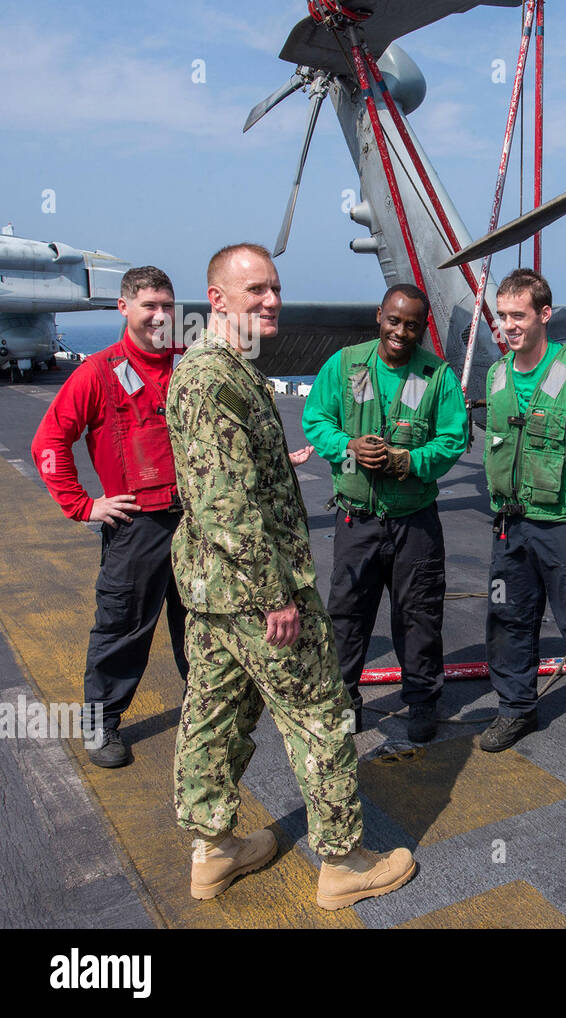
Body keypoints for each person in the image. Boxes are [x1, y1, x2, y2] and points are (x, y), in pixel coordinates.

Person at [167, 243, 414, 908]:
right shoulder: (213, 379)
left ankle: (213, 851)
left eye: (274, 287)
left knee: (215, 716)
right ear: (217, 299)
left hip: (215, 593)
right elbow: (228, 505)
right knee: (322, 718)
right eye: (255, 291)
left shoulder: (222, 370)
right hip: (256, 593)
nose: (272, 300)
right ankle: (342, 862)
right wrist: (275, 595)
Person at [31, 266, 189, 768]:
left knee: (203, 625)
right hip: (136, 527)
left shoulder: (190, 365)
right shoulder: (97, 372)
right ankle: (101, 723)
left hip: (197, 522)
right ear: (124, 308)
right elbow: (48, 443)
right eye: (150, 306)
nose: (161, 316)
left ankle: (206, 710)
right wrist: (83, 505)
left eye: (168, 305)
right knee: (122, 628)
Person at [302, 283, 467, 743]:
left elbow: (454, 438)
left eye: (412, 324)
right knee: (347, 615)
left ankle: (420, 702)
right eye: (394, 321)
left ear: (422, 327)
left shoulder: (435, 376)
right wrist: (347, 446)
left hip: (414, 521)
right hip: (357, 520)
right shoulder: (349, 365)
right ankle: (343, 702)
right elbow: (317, 419)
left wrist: (407, 462)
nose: (401, 331)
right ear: (380, 316)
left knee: (418, 616)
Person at [479, 268, 566, 775]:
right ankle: (516, 708)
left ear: (545, 314)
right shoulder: (496, 375)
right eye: (502, 316)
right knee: (508, 621)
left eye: (518, 315)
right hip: (510, 527)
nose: (508, 326)